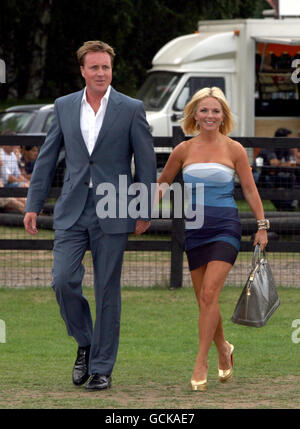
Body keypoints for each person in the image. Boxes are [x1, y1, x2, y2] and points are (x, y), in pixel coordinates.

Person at [24, 40, 156, 391]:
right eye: (94, 67)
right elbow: (47, 158)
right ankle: (85, 342)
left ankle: (101, 368)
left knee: (107, 290)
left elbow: (145, 163)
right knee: (63, 281)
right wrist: (33, 205)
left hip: (114, 209)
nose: (101, 73)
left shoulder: (131, 108)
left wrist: (144, 209)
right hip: (71, 209)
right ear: (82, 70)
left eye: (106, 67)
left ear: (112, 70)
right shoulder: (64, 106)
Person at [157, 87, 268, 391]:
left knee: (209, 294)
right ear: (194, 114)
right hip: (194, 230)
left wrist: (262, 225)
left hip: (225, 227)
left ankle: (201, 361)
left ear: (223, 116)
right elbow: (164, 180)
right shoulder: (183, 150)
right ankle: (224, 348)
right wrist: (148, 205)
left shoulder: (234, 149)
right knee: (206, 301)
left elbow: (249, 190)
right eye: (203, 110)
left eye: (215, 111)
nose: (209, 115)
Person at [254, 128, 296, 210]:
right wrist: (286, 164)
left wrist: (293, 156)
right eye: (288, 139)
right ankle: (282, 206)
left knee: (291, 177)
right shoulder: (270, 146)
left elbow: (293, 164)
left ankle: (288, 205)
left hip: (274, 173)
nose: (290, 141)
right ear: (281, 139)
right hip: (259, 174)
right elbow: (274, 163)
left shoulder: (286, 148)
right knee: (269, 181)